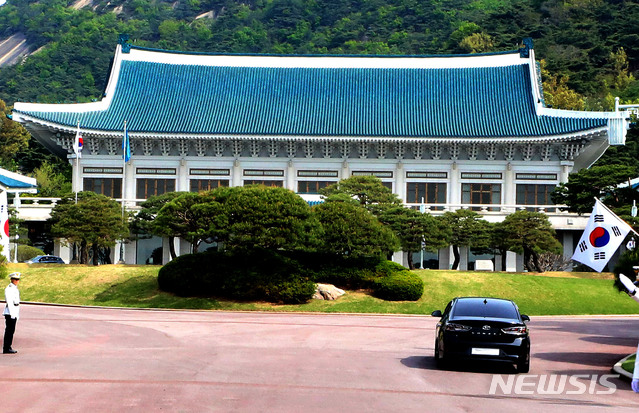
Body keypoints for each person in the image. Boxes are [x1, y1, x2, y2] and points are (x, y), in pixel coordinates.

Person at [3, 272, 21, 354]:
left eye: (18, 279)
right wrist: (12, 314)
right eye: (16, 279)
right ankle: (6, 348)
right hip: (10, 312)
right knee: (9, 331)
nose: (17, 281)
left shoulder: (14, 288)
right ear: (12, 280)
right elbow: (10, 302)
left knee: (11, 330)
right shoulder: (9, 289)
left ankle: (8, 346)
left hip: (14, 311)